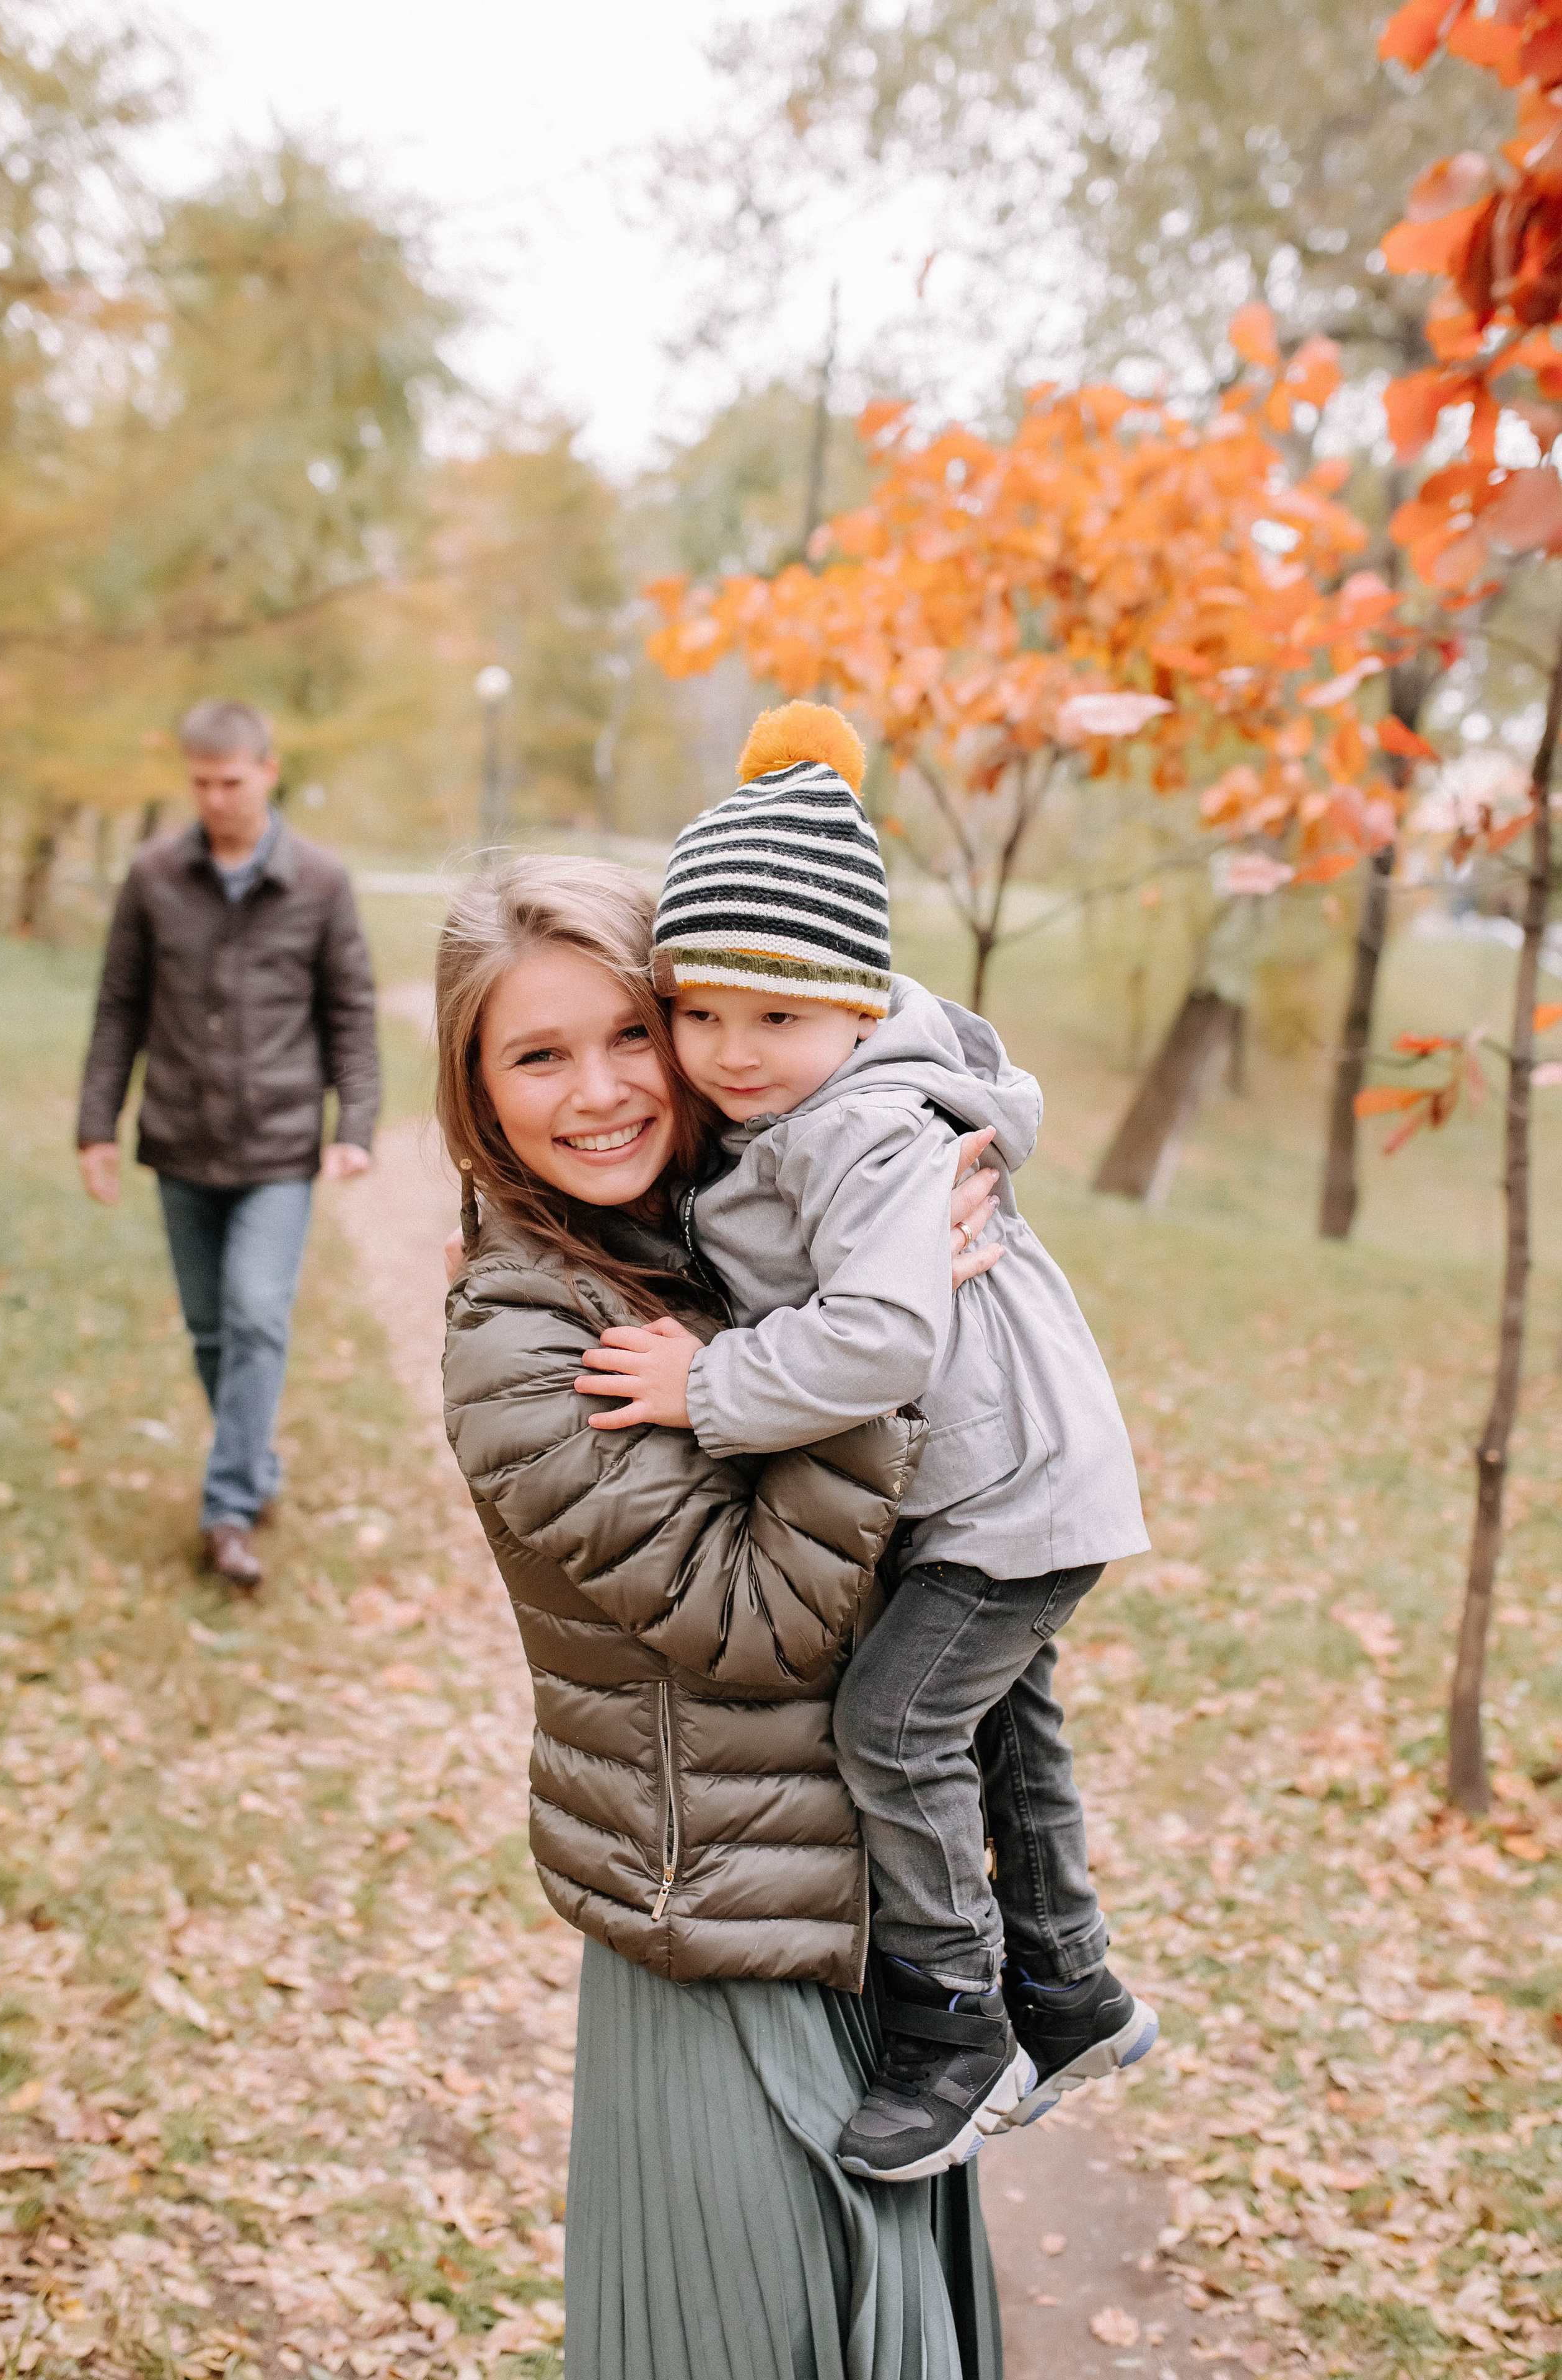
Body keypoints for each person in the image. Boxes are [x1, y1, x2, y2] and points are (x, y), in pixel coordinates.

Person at [436, 855, 1006, 2380]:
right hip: (716, 1931)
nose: (601, 1091)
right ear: (480, 1097)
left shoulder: (747, 1235)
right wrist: (877, 1362)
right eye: (537, 1057)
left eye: (634, 1033)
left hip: (854, 1902)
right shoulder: (520, 1336)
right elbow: (754, 1620)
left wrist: (882, 1276)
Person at [573, 700, 1157, 2186]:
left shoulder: (863, 1130)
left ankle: (955, 2029)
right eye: (697, 1012)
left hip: (1002, 1492)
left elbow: (885, 1338)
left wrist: (712, 1382)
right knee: (1000, 1726)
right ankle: (1074, 1992)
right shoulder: (816, 1106)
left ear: (852, 1006)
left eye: (773, 1019)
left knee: (891, 1732)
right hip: (1016, 1481)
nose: (727, 1053)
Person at [76, 699, 380, 1592]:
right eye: (201, 783)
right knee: (213, 1333)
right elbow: (118, 1006)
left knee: (255, 1314)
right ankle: (257, 1466)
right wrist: (97, 1124)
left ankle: (229, 1510)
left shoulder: (320, 882)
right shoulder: (153, 876)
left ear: (268, 771)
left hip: (279, 1148)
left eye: (232, 781)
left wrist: (354, 1126)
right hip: (178, 1138)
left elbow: (352, 1016)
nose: (216, 799)